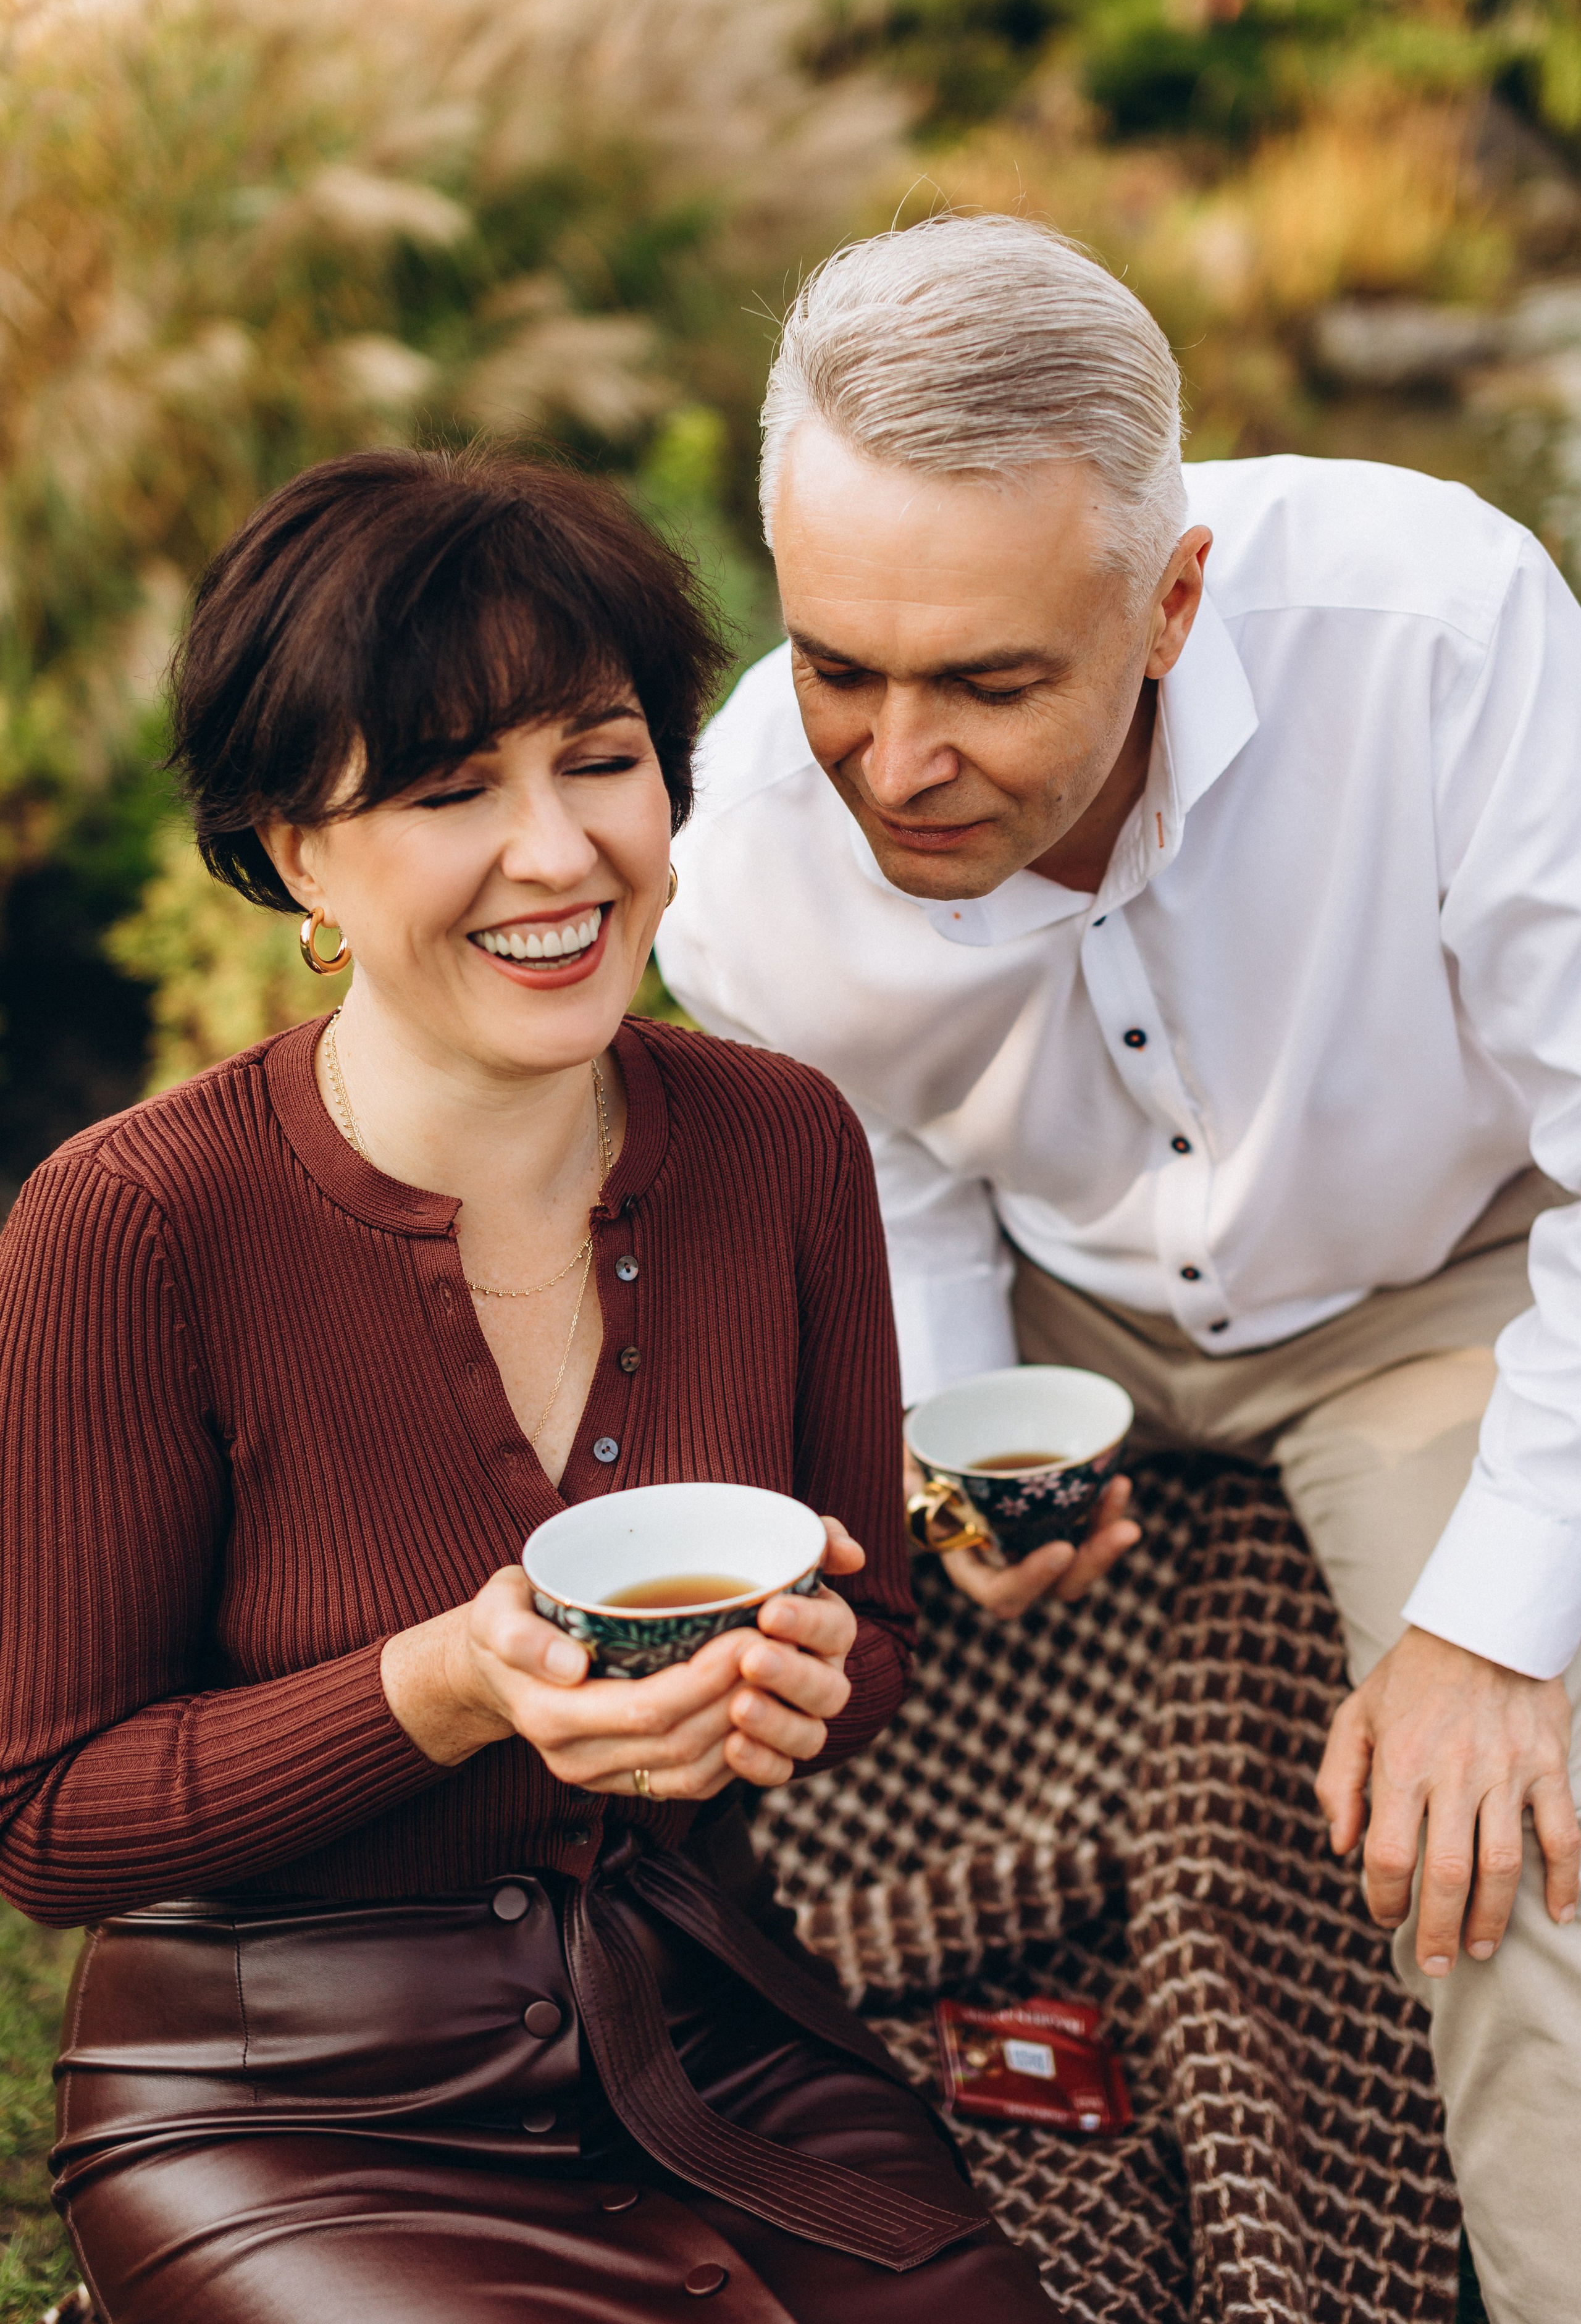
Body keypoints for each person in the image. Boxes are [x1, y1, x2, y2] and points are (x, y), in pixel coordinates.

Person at [0, 448, 1052, 2323]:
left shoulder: (784, 1142)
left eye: (600, 754)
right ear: (292, 849)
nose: (560, 852)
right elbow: (51, 1816)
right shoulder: (132, 1224)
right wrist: (446, 1684)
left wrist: (802, 1688)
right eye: (445, 789)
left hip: (710, 2020)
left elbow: (871, 1627)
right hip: (278, 2087)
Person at [656, 212, 1581, 2324]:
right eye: (839, 669)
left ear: (1170, 600)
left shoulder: (1442, 632)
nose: (894, 763)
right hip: (1068, 1306)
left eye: (989, 683)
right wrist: (969, 1424)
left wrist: (1492, 1638)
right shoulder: (742, 842)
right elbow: (878, 1138)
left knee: (1517, 1842)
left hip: (1431, 1297)